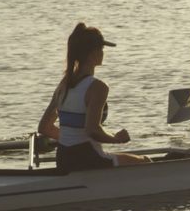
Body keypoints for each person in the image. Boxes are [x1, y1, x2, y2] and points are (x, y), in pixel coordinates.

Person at [38, 23, 150, 171]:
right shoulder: (98, 87)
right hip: (89, 159)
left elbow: (44, 127)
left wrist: (70, 139)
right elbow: (92, 130)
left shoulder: (63, 85)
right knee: (146, 162)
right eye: (102, 49)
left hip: (64, 158)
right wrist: (116, 139)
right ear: (92, 54)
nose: (103, 53)